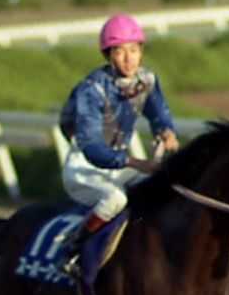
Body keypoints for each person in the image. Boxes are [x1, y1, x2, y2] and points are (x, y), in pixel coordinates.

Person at [57, 14, 180, 274]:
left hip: (116, 163)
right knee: (115, 198)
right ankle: (74, 248)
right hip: (84, 166)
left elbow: (159, 113)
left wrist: (167, 131)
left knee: (159, 185)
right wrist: (135, 162)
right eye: (120, 52)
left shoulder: (147, 80)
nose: (129, 58)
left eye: (134, 50)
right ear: (108, 55)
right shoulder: (91, 90)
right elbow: (91, 148)